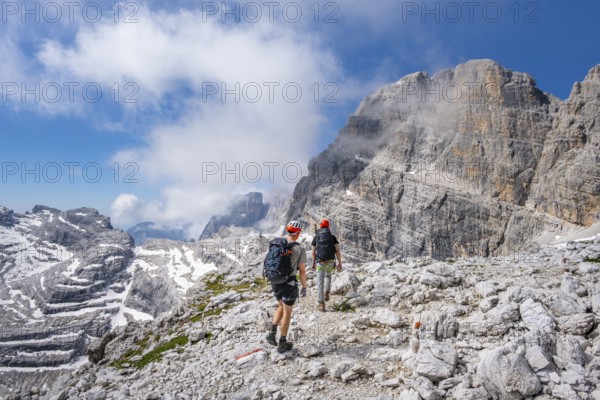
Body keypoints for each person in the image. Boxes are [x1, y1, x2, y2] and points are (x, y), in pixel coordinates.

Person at [266, 221, 307, 353]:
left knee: (280, 306)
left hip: (275, 282)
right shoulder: (299, 249)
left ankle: (271, 334)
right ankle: (282, 342)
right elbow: (302, 271)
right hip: (288, 284)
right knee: (287, 312)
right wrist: (304, 286)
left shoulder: (277, 244)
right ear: (298, 233)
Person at [311, 219, 342, 311]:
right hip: (330, 261)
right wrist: (340, 263)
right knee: (328, 276)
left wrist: (313, 263)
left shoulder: (316, 236)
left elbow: (313, 252)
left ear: (320, 226)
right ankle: (326, 293)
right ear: (328, 227)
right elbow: (337, 250)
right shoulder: (332, 237)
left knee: (320, 282)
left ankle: (321, 304)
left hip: (320, 262)